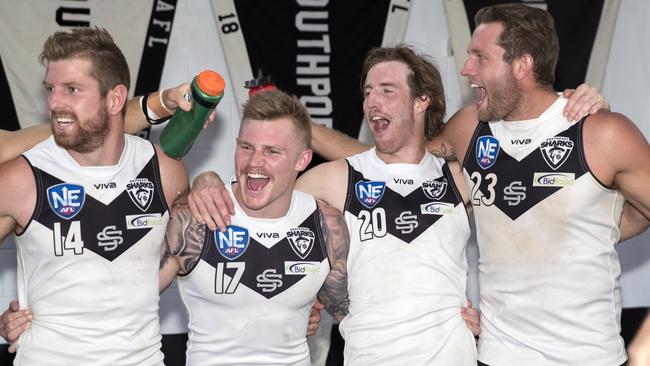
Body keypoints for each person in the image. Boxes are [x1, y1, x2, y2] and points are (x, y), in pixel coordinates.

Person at [255, 4, 648, 366]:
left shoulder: (602, 133)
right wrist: (303, 128)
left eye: (480, 57)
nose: (465, 69)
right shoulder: (469, 129)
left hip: (589, 357)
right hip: (497, 354)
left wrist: (596, 229)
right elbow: (393, 162)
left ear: (522, 65)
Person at [187, 46, 481, 364]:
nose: (372, 101)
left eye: (386, 90)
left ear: (421, 100)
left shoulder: (460, 178)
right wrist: (207, 178)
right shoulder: (335, 179)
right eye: (368, 92)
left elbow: (516, 252)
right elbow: (255, 206)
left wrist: (486, 315)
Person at [0, 27, 188, 365]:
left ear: (115, 98)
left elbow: (187, 260)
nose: (55, 102)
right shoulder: (20, 178)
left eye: (72, 89)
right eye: (50, 90)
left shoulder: (164, 171)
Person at [156, 89, 350, 365]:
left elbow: (352, 316)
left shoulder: (326, 225)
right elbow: (127, 302)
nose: (254, 162)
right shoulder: (196, 217)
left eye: (272, 151)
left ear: (302, 160)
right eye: (246, 147)